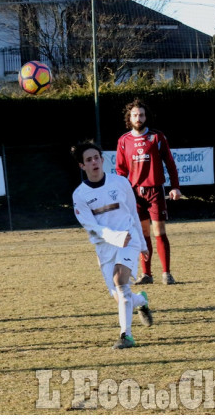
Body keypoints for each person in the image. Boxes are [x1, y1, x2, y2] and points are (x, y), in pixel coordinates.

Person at [72, 141, 153, 349]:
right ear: (82, 166)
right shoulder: (79, 195)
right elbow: (91, 227)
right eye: (88, 160)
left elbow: (133, 214)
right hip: (105, 247)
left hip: (129, 239)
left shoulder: (120, 183)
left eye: (97, 158)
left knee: (120, 280)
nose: (94, 162)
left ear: (102, 159)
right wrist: (114, 237)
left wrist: (142, 242)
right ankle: (141, 301)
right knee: (120, 297)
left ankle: (126, 336)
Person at [115, 98, 182, 285]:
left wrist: (175, 186)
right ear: (130, 118)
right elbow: (120, 170)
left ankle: (166, 273)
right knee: (143, 234)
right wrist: (121, 190)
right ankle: (146, 274)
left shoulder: (157, 137)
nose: (138, 118)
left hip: (155, 191)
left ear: (146, 117)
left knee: (159, 231)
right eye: (135, 115)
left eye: (141, 115)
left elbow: (170, 163)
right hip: (134, 193)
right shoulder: (123, 141)